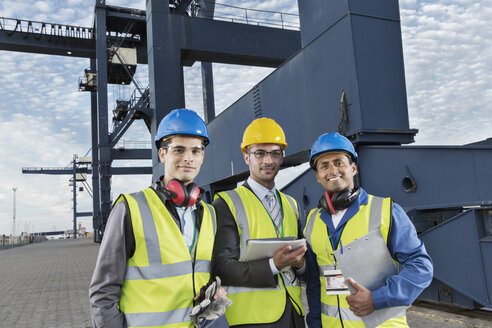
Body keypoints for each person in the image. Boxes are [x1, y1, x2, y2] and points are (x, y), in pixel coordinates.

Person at [89, 108, 225, 328]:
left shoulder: (209, 214)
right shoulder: (130, 209)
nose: (188, 158)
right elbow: (103, 292)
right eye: (179, 150)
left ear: (203, 156)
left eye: (196, 151)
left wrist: (214, 290)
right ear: (162, 154)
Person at [303, 132, 433, 327]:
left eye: (339, 162)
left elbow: (421, 267)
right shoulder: (312, 221)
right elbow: (314, 283)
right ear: (318, 176)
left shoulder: (385, 211)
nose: (332, 170)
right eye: (324, 165)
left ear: (353, 168)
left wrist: (377, 298)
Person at [212, 117, 307, 327]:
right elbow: (222, 267)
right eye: (259, 153)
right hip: (252, 319)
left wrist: (300, 264)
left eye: (275, 153)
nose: (268, 161)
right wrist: (274, 265)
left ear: (282, 157)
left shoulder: (291, 204)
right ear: (246, 157)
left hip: (294, 314)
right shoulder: (226, 203)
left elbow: (304, 264)